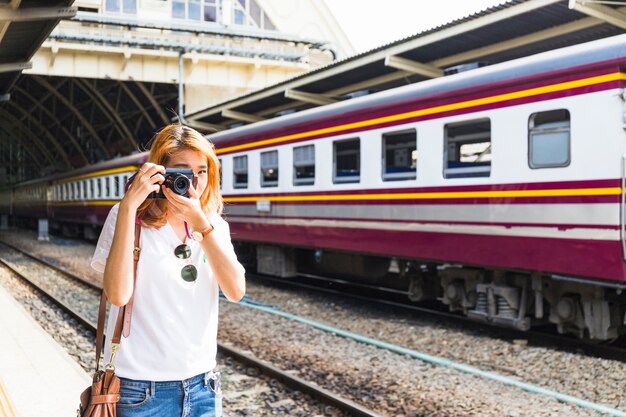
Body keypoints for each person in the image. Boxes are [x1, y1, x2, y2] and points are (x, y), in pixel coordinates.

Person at [91, 123, 246, 417]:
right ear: (160, 172)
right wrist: (128, 207)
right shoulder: (128, 218)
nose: (193, 182)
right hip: (139, 391)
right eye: (183, 172)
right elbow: (118, 294)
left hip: (202, 387)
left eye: (202, 171)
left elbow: (236, 291)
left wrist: (201, 223)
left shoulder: (213, 224)